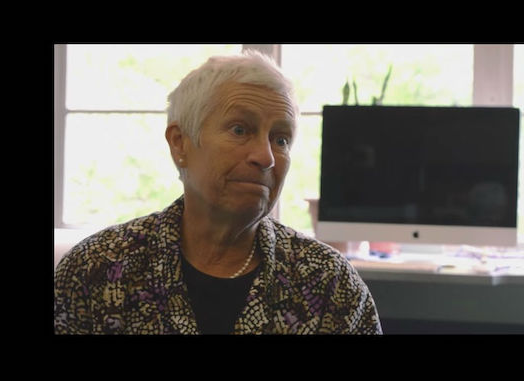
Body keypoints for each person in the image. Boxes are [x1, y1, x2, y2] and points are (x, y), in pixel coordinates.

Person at [54, 50, 383, 334]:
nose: (266, 157)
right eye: (240, 129)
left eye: (281, 139)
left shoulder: (330, 284)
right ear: (180, 144)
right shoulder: (97, 270)